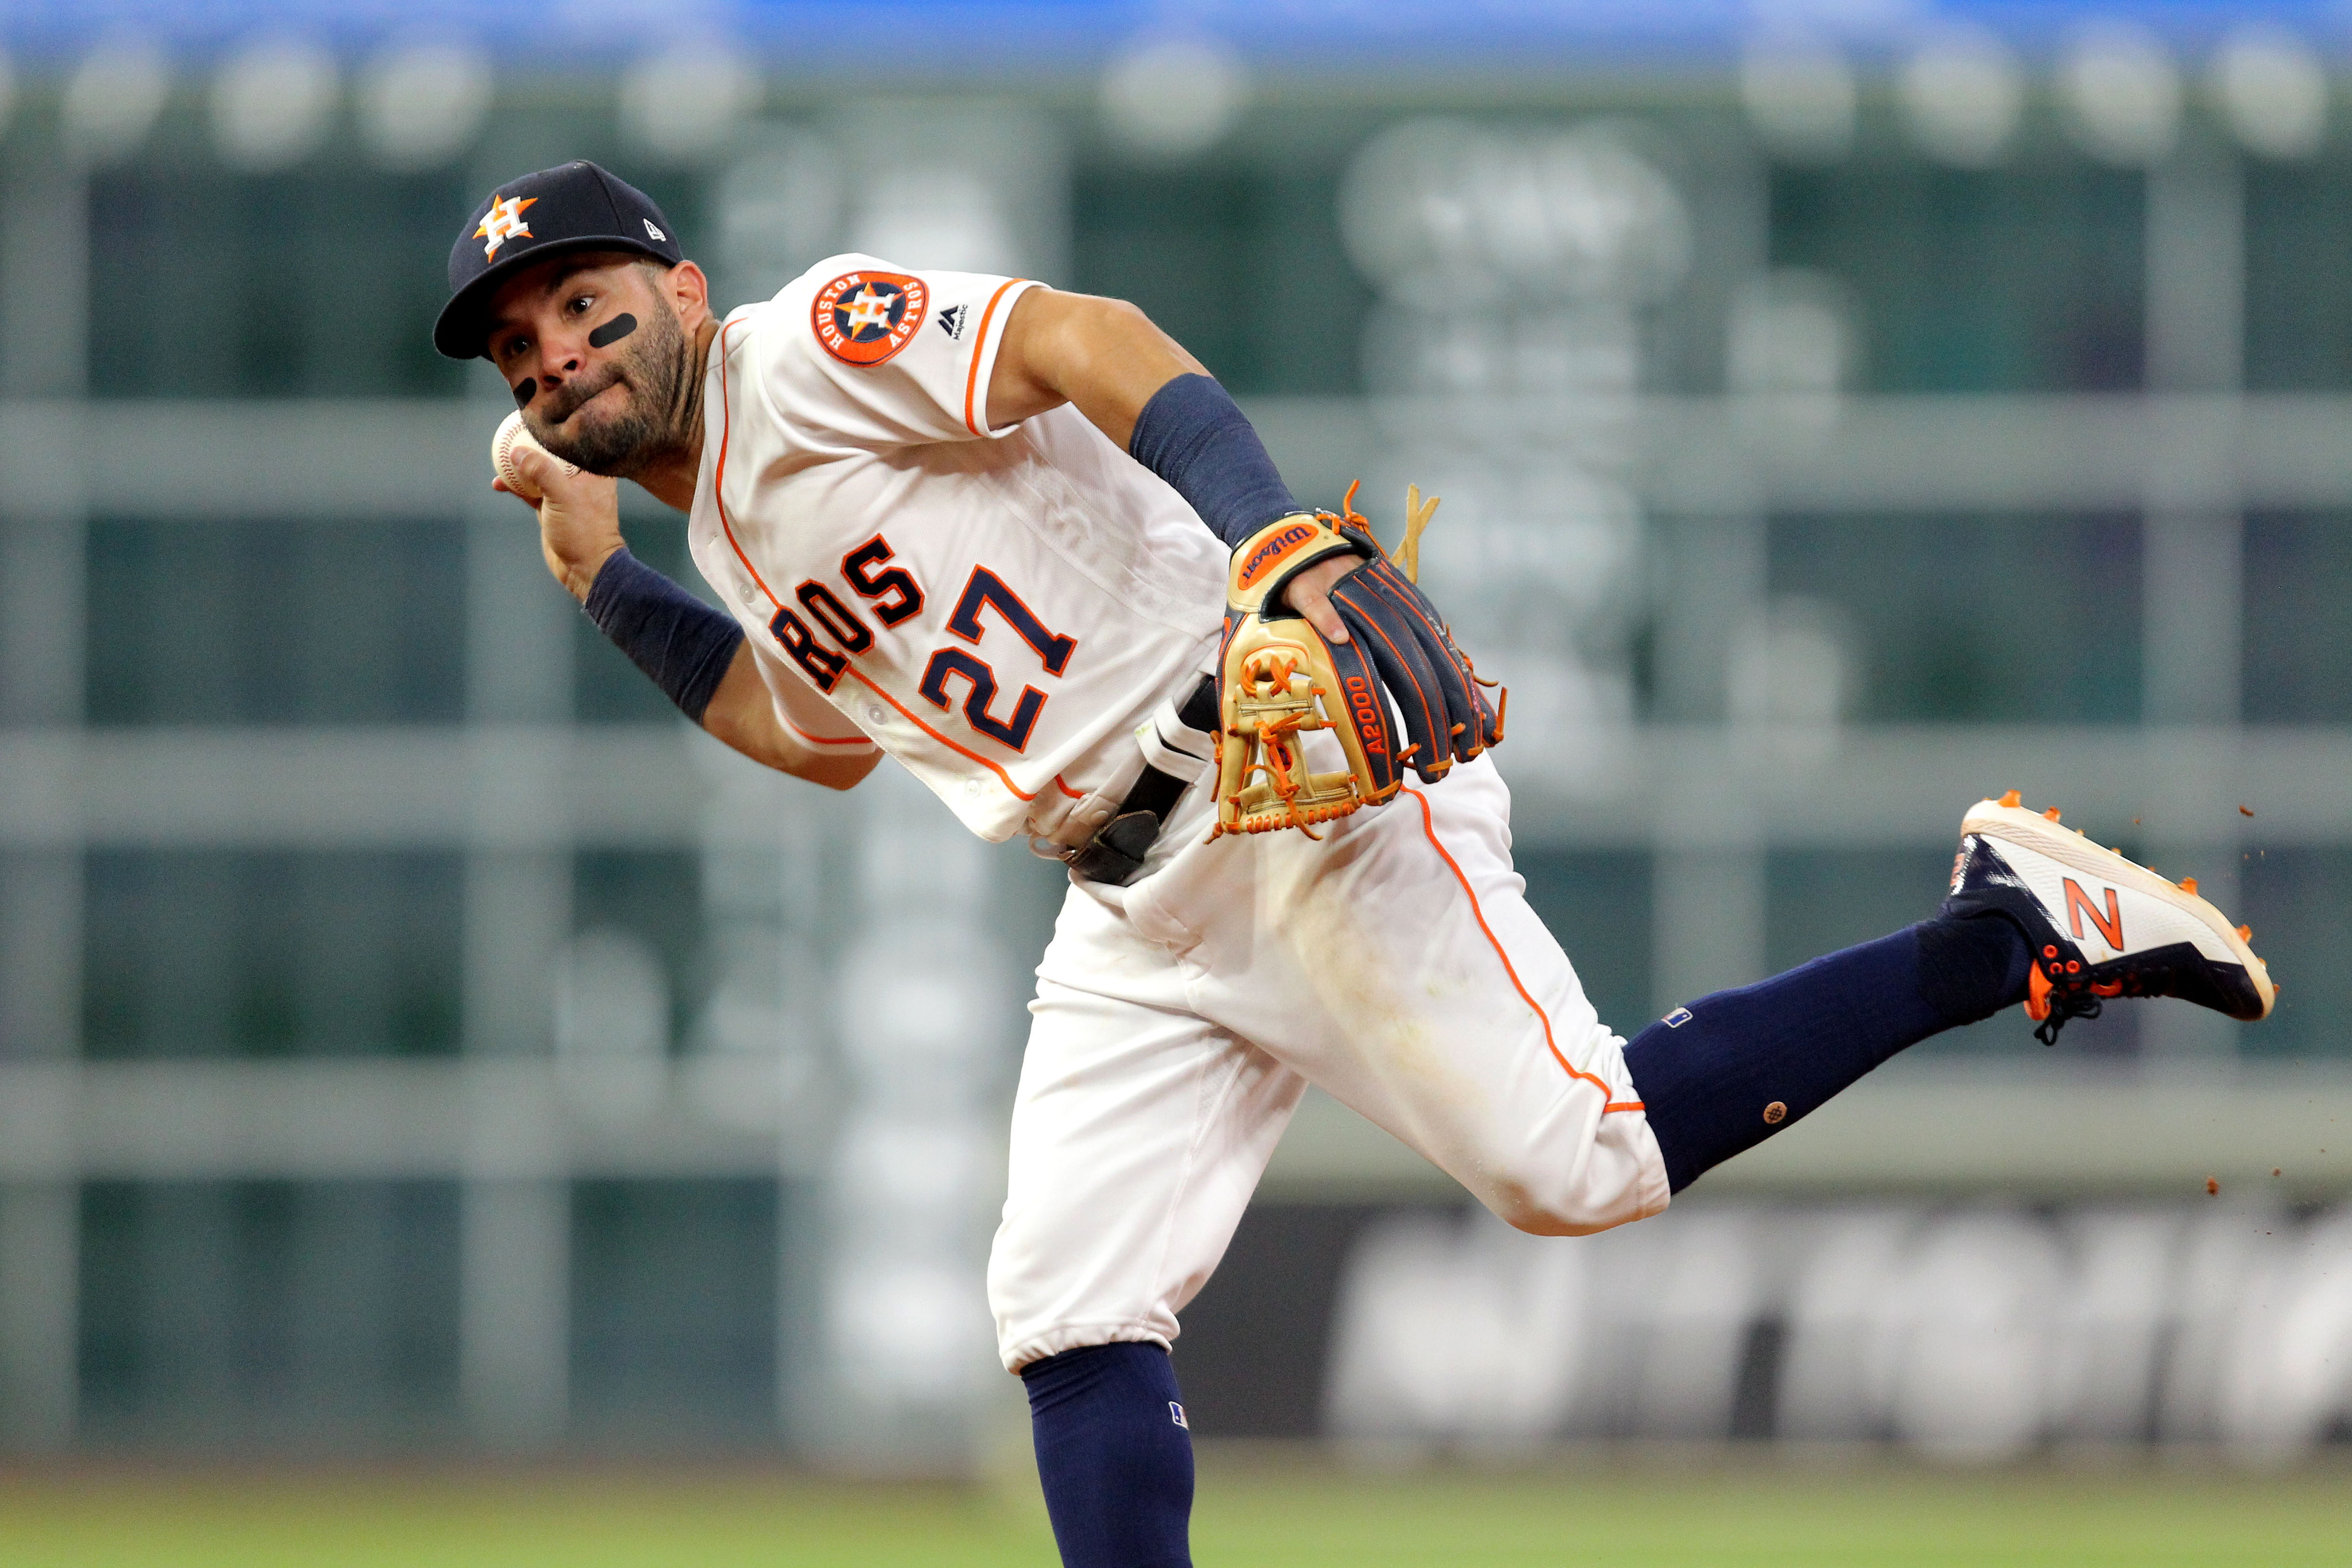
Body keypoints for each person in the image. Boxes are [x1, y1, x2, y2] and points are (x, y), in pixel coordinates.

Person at [436, 161, 2273, 1567]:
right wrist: (608, 576)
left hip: (1275, 777)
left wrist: (1273, 542)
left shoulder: (808, 346)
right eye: (524, 350)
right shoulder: (736, 534)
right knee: (1066, 1309)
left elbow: (1086, 340)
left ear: (677, 286)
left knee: (1588, 1163)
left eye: (586, 305)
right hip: (1132, 906)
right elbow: (808, 738)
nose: (562, 355)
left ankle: (2010, 929)